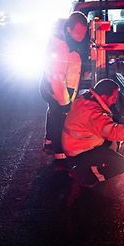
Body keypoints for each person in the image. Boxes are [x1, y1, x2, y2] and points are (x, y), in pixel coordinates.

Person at [62, 78, 124, 187]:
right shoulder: (93, 113)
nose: (114, 101)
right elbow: (113, 132)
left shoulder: (85, 100)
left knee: (112, 145)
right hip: (80, 152)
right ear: (104, 96)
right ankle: (84, 175)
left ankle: (84, 169)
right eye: (113, 97)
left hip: (75, 144)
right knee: (121, 164)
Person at [39, 11, 89, 162]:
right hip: (55, 89)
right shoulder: (61, 47)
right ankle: (59, 156)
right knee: (60, 118)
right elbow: (57, 78)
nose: (82, 35)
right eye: (79, 32)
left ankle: (49, 142)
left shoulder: (70, 42)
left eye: (84, 32)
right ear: (68, 29)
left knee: (53, 112)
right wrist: (65, 103)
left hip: (54, 87)